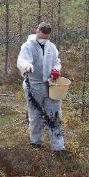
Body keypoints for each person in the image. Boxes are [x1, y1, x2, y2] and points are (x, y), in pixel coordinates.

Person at [17, 22, 69, 157]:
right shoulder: (28, 46)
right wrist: (27, 66)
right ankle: (36, 143)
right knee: (35, 115)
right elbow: (22, 60)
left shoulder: (51, 47)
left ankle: (58, 147)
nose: (44, 37)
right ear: (37, 30)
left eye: (47, 35)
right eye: (42, 33)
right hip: (33, 85)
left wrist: (56, 70)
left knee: (55, 115)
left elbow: (57, 61)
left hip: (52, 85)